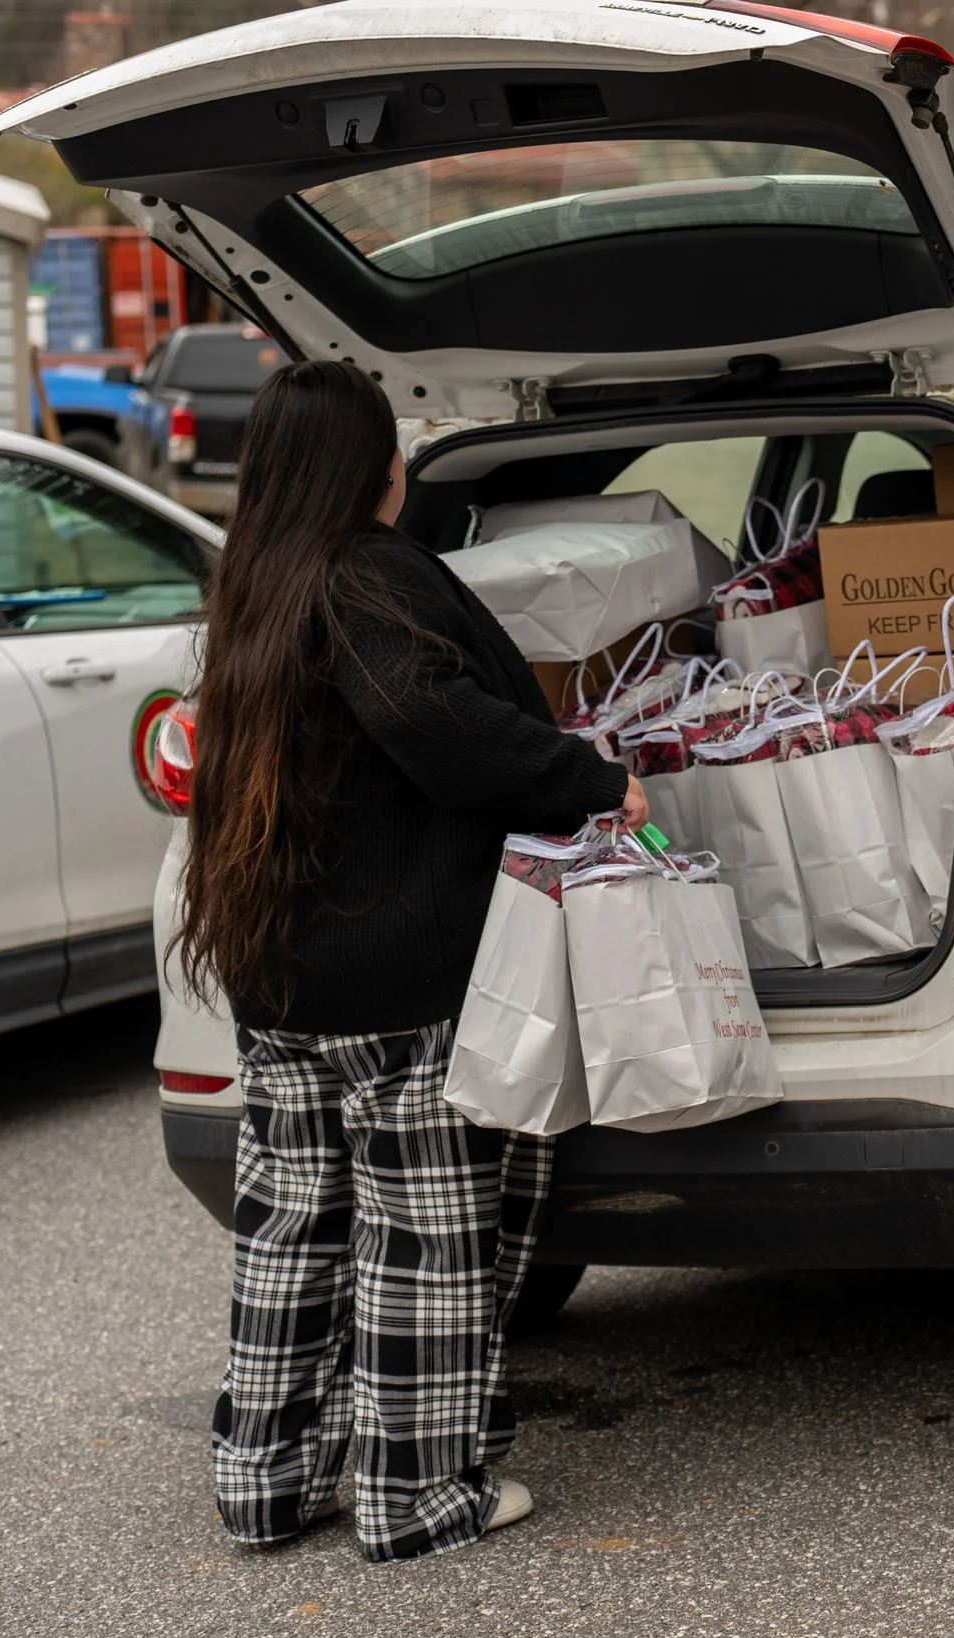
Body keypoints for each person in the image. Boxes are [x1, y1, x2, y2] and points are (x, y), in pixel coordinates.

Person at [175, 360, 647, 1560]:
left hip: (280, 975)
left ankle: (267, 1481)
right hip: (395, 980)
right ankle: (419, 1494)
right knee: (425, 1236)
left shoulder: (254, 584)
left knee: (292, 1234)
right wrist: (595, 778)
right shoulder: (367, 572)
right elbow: (432, 718)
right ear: (378, 465)